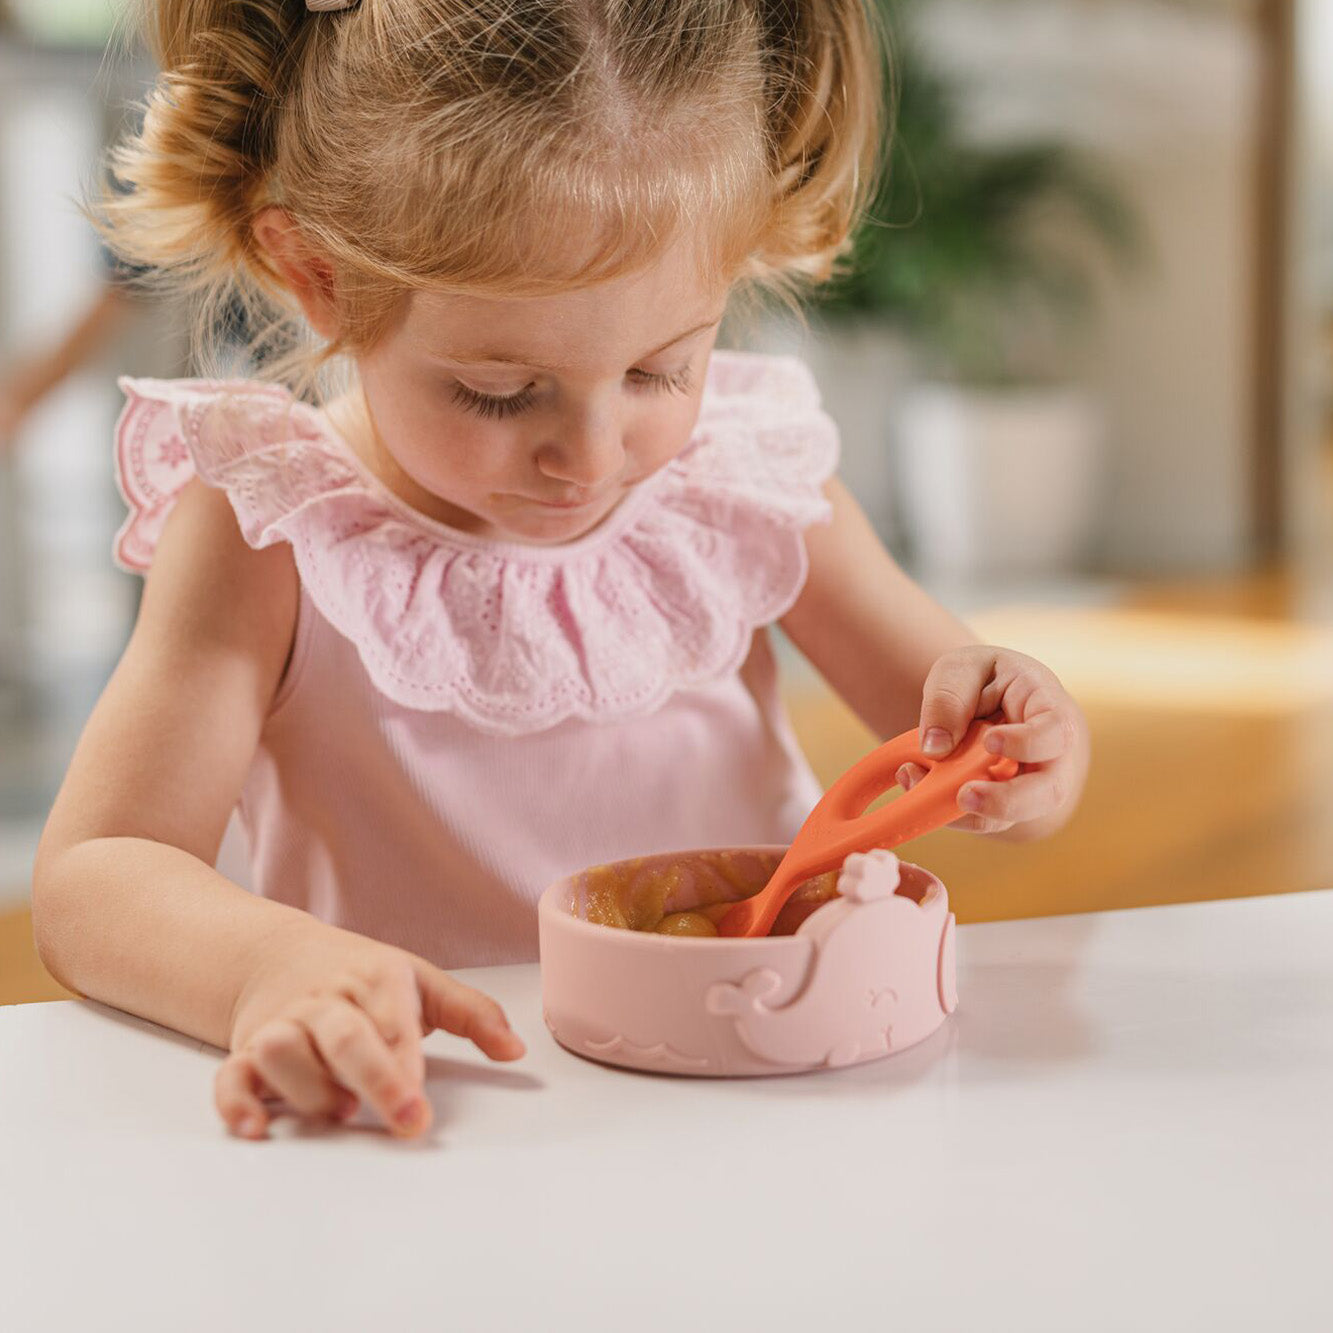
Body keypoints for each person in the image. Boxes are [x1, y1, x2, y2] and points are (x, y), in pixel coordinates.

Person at [32, 0, 1090, 1144]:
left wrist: (1021, 741)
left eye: (658, 368)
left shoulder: (744, 478)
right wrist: (268, 969)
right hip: (453, 1116)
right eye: (499, 391)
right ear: (318, 275)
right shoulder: (273, 528)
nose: (588, 457)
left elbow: (964, 749)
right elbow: (97, 873)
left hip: (763, 1095)